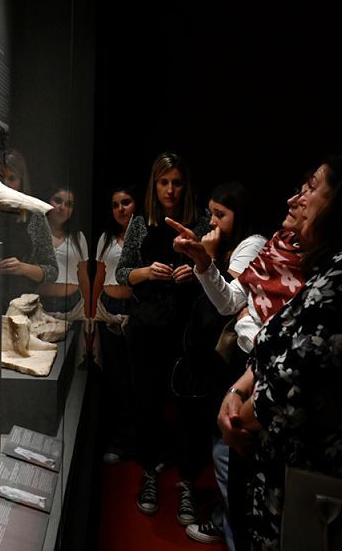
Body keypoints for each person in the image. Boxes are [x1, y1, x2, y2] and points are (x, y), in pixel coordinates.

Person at [219, 155, 342, 549]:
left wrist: (239, 415)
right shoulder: (328, 268)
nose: (293, 200)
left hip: (325, 481)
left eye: (311, 188)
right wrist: (235, 393)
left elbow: (299, 376)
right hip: (293, 470)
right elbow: (276, 345)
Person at [169, 183, 308, 548]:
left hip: (273, 375)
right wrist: (203, 260)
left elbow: (278, 328)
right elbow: (233, 302)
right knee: (233, 468)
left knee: (257, 486)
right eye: (297, 189)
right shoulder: (279, 244)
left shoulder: (313, 259)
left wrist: (252, 319)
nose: (293, 198)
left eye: (310, 190)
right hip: (248, 368)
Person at [115, 152, 200, 520]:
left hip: (186, 328)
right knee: (146, 401)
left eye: (176, 182)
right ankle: (149, 472)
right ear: (154, 184)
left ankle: (188, 483)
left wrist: (195, 273)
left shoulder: (200, 220)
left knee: (188, 407)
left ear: (185, 185)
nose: (170, 189)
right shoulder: (139, 223)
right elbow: (122, 274)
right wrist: (148, 272)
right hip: (147, 325)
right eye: (164, 182)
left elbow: (218, 270)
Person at [91, 185, 139, 463]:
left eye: (126, 202)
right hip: (109, 311)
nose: (121, 209)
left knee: (139, 379)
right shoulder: (106, 239)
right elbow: (98, 276)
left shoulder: (146, 236)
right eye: (115, 205)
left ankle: (142, 443)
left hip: (137, 311)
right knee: (116, 379)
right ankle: (120, 442)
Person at [0, 149, 57, 309]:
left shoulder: (34, 215)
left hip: (21, 305)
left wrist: (22, 268)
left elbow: (51, 271)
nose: (5, 184)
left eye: (12, 178)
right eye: (0, 177)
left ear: (22, 182)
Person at [38, 186, 90, 322]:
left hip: (75, 308)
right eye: (57, 201)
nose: (62, 207)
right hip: (40, 306)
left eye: (69, 204)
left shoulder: (78, 238)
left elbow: (83, 277)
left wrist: (89, 313)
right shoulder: (35, 235)